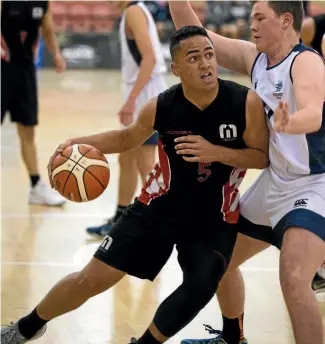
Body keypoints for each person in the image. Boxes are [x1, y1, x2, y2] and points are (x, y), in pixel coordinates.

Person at [1, 26, 270, 344]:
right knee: (92, 278)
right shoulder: (163, 106)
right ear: (176, 69)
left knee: (204, 280)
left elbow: (261, 157)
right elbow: (126, 137)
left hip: (213, 216)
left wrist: (216, 153)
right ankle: (25, 328)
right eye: (194, 57)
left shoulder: (244, 102)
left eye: (209, 55)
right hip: (158, 207)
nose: (205, 64)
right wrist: (76, 141)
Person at [169, 1, 325, 344]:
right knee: (216, 259)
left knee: (295, 278)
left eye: (259, 18)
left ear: (286, 21)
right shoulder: (255, 58)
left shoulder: (306, 61)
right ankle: (232, 337)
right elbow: (195, 34)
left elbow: (313, 112)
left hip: (314, 185)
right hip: (274, 183)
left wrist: (291, 122)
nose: (251, 25)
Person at [86, 0, 167, 236]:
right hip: (144, 90)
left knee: (145, 160)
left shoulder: (133, 11)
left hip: (145, 93)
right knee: (126, 157)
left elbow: (149, 58)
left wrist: (132, 99)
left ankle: (158, 221)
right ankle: (121, 218)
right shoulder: (135, 11)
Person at [1, 0, 67, 206]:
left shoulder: (43, 3)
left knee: (27, 131)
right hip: (2, 69)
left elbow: (47, 30)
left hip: (25, 71)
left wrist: (56, 54)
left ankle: (36, 187)